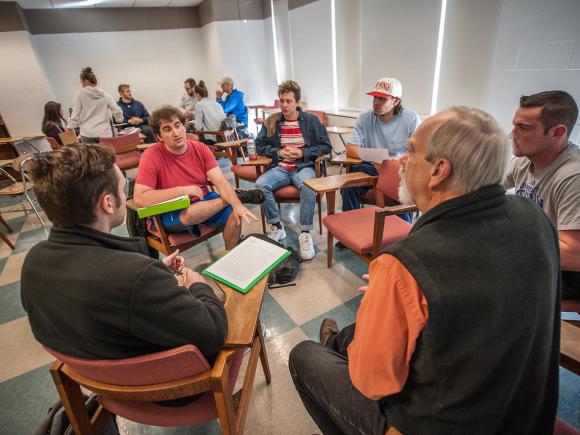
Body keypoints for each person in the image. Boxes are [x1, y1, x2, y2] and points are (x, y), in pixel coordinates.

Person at [289, 107, 560, 435]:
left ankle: (338, 351)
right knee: (354, 333)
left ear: (439, 170)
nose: (401, 161)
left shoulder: (403, 263)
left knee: (304, 356)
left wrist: (383, 294)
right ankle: (340, 343)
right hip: (525, 416)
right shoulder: (534, 219)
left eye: (411, 151)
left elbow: (372, 384)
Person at [21, 144, 227, 364]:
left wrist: (156, 271)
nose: (126, 196)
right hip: (162, 387)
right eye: (122, 189)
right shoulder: (137, 277)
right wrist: (198, 285)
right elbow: (213, 333)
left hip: (97, 377)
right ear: (108, 203)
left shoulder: (34, 261)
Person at [133, 105, 263, 251]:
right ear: (159, 136)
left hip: (203, 199)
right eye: (167, 129)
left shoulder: (200, 148)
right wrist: (182, 191)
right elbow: (139, 199)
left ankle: (230, 258)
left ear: (184, 126)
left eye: (178, 125)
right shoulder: (151, 156)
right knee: (190, 214)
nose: (176, 133)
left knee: (235, 213)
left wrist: (237, 205)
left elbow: (220, 182)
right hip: (169, 208)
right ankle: (235, 197)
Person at [504, 90, 580, 300]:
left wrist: (509, 237)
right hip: (540, 257)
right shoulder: (525, 159)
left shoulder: (572, 176)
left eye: (523, 128)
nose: (512, 135)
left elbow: (574, 255)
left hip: (568, 273)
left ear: (557, 132)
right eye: (515, 125)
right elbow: (487, 187)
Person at [255, 80, 332, 260]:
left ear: (297, 102)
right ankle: (277, 226)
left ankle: (304, 232)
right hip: (281, 167)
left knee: (308, 186)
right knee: (259, 185)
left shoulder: (311, 120)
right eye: (282, 100)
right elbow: (259, 145)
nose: (284, 105)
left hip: (303, 166)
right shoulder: (272, 121)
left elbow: (326, 146)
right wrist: (278, 152)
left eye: (289, 101)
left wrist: (302, 152)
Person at [340, 77, 421, 212]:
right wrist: (378, 158)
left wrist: (390, 164)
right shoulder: (365, 118)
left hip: (398, 169)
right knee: (348, 187)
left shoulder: (411, 119)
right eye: (375, 98)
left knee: (402, 196)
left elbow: (419, 151)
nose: (376, 103)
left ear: (396, 101)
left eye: (382, 99)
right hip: (371, 166)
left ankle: (404, 231)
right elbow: (350, 149)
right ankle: (354, 224)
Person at [68, 67, 123, 143]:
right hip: (104, 133)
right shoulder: (105, 95)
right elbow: (117, 110)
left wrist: (70, 127)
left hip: (87, 134)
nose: (82, 85)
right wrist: (119, 120)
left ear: (86, 81)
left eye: (82, 82)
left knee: (90, 155)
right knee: (106, 155)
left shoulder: (80, 94)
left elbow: (75, 114)